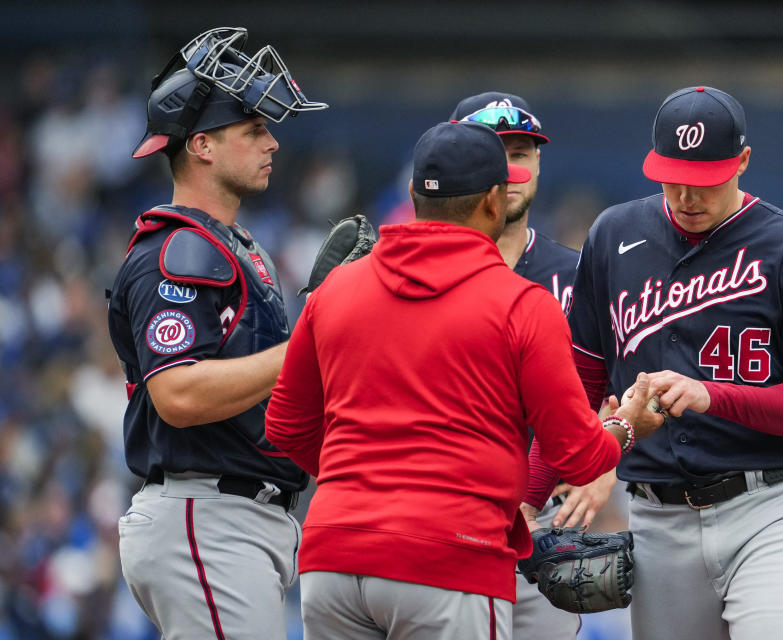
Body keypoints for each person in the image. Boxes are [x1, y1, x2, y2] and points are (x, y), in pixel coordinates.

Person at [264, 121, 664, 640]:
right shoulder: (522, 303)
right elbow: (577, 455)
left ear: (412, 195)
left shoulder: (336, 288)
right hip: (449, 556)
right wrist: (625, 427)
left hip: (333, 558)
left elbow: (286, 426)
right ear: (495, 201)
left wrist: (372, 480)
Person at [562, 86, 783, 640]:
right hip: (657, 515)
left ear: (743, 162)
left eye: (705, 180)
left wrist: (712, 395)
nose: (686, 195)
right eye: (673, 177)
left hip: (768, 507)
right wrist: (572, 473)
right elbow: (580, 380)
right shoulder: (613, 235)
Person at [106, 27, 327, 640]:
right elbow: (178, 396)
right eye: (254, 129)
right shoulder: (176, 250)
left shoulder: (232, 247)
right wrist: (311, 339)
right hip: (208, 514)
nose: (273, 142)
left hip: (238, 519)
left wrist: (327, 314)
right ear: (201, 144)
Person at [450, 92, 609, 638]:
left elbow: (614, 392)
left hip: (540, 530)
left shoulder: (581, 274)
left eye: (523, 152)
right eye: (493, 152)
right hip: (444, 521)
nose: (510, 169)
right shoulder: (411, 273)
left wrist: (606, 465)